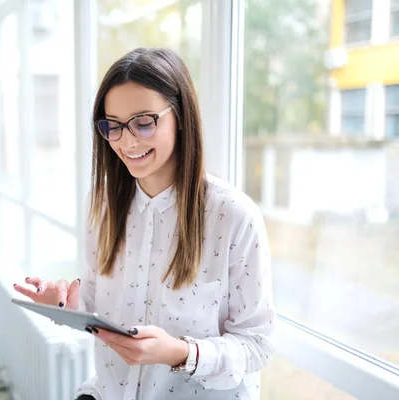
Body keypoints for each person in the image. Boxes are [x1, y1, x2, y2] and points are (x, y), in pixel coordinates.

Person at [14, 48, 275, 400]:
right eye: (114, 126)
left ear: (180, 116)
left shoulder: (233, 216)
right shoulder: (104, 204)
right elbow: (102, 302)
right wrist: (65, 304)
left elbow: (256, 346)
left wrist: (180, 353)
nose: (127, 141)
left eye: (144, 122)